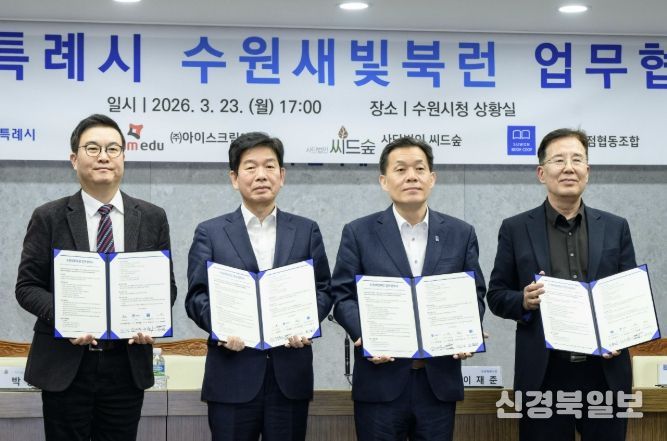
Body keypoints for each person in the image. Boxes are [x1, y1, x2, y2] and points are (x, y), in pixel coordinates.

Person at [15, 114, 177, 441]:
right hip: (65, 364)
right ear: (74, 159)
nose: (104, 156)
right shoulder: (48, 216)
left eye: (112, 149)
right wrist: (68, 318)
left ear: (123, 157)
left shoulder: (152, 217)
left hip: (126, 365)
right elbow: (27, 287)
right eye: (92, 148)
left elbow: (166, 287)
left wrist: (150, 318)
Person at [331, 136, 486, 441]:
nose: (411, 176)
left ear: (432, 178)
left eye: (419, 168)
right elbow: (342, 294)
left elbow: (474, 293)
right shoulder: (359, 232)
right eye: (400, 169)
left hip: (437, 382)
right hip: (379, 380)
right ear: (384, 181)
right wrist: (365, 335)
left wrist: (467, 330)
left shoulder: (460, 233)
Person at [487, 128, 636, 441]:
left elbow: (629, 298)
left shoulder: (615, 227)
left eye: (577, 160)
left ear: (587, 171)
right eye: (559, 160)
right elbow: (497, 295)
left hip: (604, 373)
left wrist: (621, 335)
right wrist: (523, 300)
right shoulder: (515, 228)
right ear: (542, 173)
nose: (569, 168)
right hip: (545, 374)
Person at [185, 132, 332, 441]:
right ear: (234, 178)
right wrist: (221, 327)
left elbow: (323, 289)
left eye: (269, 166)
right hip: (231, 374)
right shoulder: (211, 232)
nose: (261, 175)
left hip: (289, 375)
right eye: (250, 167)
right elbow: (197, 296)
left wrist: (305, 324)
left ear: (282, 175)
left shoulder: (306, 230)